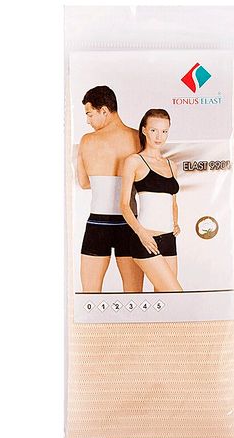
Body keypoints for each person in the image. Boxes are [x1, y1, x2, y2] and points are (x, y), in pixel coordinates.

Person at [78, 86, 143, 292]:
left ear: (104, 111)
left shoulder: (87, 141)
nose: (88, 121)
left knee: (90, 294)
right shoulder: (138, 139)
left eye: (90, 114)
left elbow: (84, 183)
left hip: (98, 224)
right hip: (130, 224)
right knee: (134, 294)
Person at [120, 109, 182, 292]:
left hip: (169, 239)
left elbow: (173, 201)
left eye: (164, 131)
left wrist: (175, 222)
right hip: (146, 238)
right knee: (176, 294)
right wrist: (141, 233)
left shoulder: (171, 165)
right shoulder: (134, 161)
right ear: (144, 130)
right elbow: (124, 205)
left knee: (166, 301)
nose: (159, 136)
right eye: (154, 130)